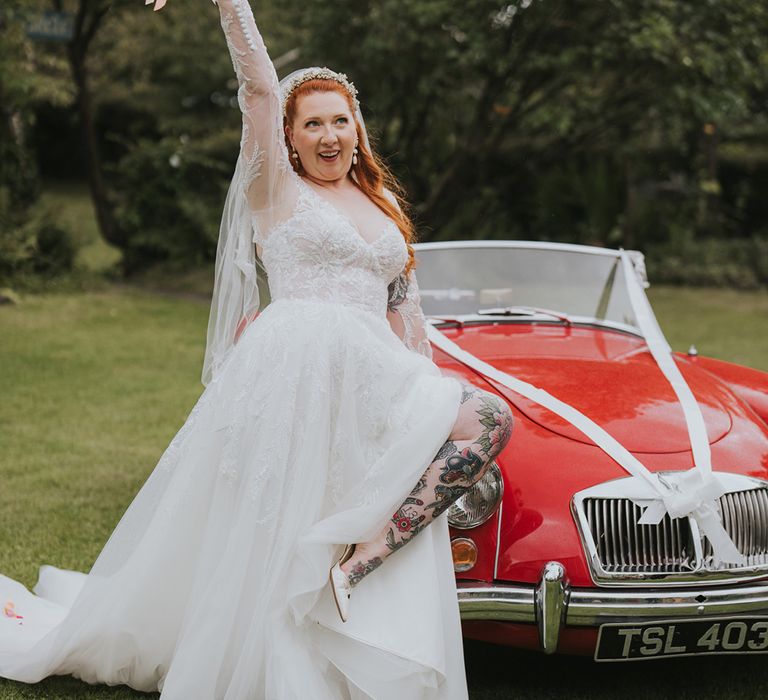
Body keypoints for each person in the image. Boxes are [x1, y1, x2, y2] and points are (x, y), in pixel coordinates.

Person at [0, 0, 513, 696]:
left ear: (358, 130)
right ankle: (293, 637)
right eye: (312, 124)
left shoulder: (384, 204)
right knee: (285, 513)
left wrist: (421, 387)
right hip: (299, 362)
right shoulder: (277, 191)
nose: (329, 134)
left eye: (341, 120)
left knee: (486, 419)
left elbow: (404, 306)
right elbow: (261, 86)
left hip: (377, 370)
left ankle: (359, 565)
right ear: (290, 138)